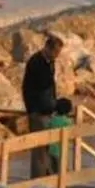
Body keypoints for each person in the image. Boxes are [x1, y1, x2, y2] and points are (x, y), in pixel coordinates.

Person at [21, 35, 65, 179]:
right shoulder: (37, 63)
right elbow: (41, 88)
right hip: (38, 111)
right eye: (56, 53)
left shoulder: (49, 62)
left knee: (48, 148)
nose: (57, 56)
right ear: (48, 48)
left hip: (46, 111)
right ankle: (38, 181)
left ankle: (49, 178)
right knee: (40, 150)